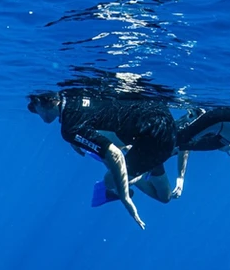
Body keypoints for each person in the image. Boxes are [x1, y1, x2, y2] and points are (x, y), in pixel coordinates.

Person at [28, 89, 177, 229]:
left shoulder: (70, 128)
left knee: (114, 182)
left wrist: (125, 198)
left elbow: (114, 155)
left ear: (42, 102)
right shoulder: (75, 94)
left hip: (154, 139)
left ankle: (132, 175)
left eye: (34, 107)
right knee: (113, 143)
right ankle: (143, 164)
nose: (35, 112)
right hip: (159, 115)